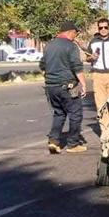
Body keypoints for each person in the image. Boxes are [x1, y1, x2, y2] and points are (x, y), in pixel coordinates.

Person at [40, 19, 88, 153]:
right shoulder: (70, 46)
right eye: (75, 34)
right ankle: (73, 144)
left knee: (59, 113)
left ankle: (54, 141)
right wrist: (83, 84)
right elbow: (76, 66)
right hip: (67, 86)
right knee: (75, 114)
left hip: (51, 86)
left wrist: (49, 80)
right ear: (70, 32)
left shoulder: (49, 46)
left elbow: (43, 66)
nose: (75, 37)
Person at [86, 17, 109, 124]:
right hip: (98, 75)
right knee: (101, 103)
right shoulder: (93, 42)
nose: (103, 29)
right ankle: (105, 129)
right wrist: (91, 57)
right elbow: (87, 58)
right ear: (98, 28)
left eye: (105, 27)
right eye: (101, 27)